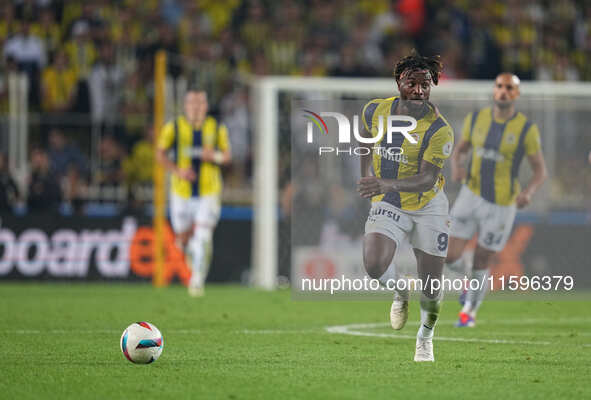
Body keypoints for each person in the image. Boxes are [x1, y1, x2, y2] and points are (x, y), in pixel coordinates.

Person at [357, 52, 454, 362]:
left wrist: (385, 184)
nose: (418, 90)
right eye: (412, 83)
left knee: (432, 286)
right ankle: (401, 290)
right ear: (399, 82)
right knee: (373, 266)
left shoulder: (439, 130)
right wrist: (368, 179)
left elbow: (427, 179)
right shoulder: (374, 110)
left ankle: (425, 337)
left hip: (428, 206)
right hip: (390, 201)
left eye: (425, 84)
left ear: (432, 86)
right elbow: (364, 142)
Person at [446, 73, 547, 327]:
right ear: (494, 91)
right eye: (500, 86)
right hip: (470, 194)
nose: (503, 91)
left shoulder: (526, 129)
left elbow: (540, 170)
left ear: (516, 94)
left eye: (509, 88)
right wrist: (456, 167)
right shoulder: (476, 119)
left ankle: (469, 312)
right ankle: (471, 281)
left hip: (502, 203)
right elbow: (460, 149)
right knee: (449, 256)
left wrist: (528, 192)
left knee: (483, 258)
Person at [156, 89, 232, 296]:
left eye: (200, 103)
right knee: (183, 240)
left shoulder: (216, 128)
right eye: (192, 103)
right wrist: (178, 171)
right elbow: (160, 155)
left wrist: (214, 156)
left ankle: (197, 280)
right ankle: (195, 267)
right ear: (185, 105)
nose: (196, 107)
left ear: (206, 106)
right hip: (181, 192)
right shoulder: (173, 127)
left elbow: (227, 156)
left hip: (209, 191)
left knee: (203, 236)